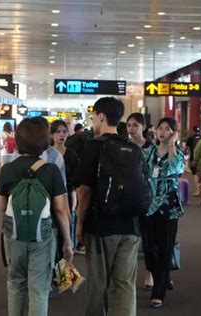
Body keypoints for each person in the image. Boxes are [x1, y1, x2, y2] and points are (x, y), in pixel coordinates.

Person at [0, 117, 73, 316]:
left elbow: (2, 206)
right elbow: (59, 209)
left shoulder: (7, 169)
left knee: (15, 283)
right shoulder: (51, 170)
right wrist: (67, 241)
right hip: (43, 235)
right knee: (39, 287)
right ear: (44, 140)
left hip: (14, 233)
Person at [76, 97, 142, 316]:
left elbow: (84, 191)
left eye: (94, 116)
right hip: (131, 226)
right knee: (125, 285)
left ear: (101, 116)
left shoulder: (93, 147)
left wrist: (79, 225)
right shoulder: (132, 147)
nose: (93, 120)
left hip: (101, 226)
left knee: (98, 284)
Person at [144, 117, 185, 308]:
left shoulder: (177, 154)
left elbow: (171, 168)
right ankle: (163, 274)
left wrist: (172, 145)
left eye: (167, 129)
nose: (162, 132)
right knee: (150, 249)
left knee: (165, 248)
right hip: (148, 205)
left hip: (168, 207)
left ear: (173, 133)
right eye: (160, 128)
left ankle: (158, 292)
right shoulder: (148, 152)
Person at [126, 113, 154, 290]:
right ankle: (130, 274)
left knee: (149, 238)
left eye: (135, 125)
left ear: (143, 127)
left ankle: (150, 273)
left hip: (146, 197)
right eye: (129, 125)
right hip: (128, 198)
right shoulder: (124, 146)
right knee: (130, 239)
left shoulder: (152, 148)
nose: (131, 128)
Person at [50, 120, 82, 253]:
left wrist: (75, 203)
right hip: (50, 196)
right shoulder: (46, 154)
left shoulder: (71, 154)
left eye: (64, 132)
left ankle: (65, 267)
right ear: (51, 134)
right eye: (58, 132)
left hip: (67, 196)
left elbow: (76, 182)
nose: (61, 135)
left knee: (66, 229)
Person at [185, 126, 201, 196]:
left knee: (195, 174)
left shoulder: (190, 138)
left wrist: (185, 154)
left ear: (193, 131)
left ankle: (197, 191)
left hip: (193, 159)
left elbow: (186, 149)